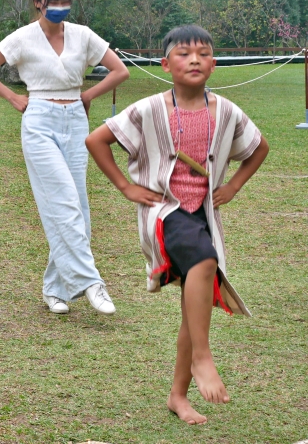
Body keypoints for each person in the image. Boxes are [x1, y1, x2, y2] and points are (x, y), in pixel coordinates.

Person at [86, 25, 268, 424]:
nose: (195, 60)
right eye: (184, 54)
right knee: (204, 262)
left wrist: (234, 185)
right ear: (166, 64)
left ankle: (178, 396)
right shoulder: (149, 109)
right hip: (165, 212)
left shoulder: (225, 111)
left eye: (203, 54)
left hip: (202, 214)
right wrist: (125, 187)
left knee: (195, 305)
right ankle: (203, 357)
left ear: (214, 64)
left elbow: (258, 147)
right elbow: (97, 140)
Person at [0, 0, 129, 314]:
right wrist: (14, 99)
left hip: (74, 119)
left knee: (79, 207)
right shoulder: (23, 37)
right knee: (61, 200)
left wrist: (87, 94)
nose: (59, 7)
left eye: (64, 1)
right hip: (39, 119)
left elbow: (120, 71)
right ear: (38, 2)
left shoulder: (83, 36)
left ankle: (54, 289)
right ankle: (91, 282)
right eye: (53, 1)